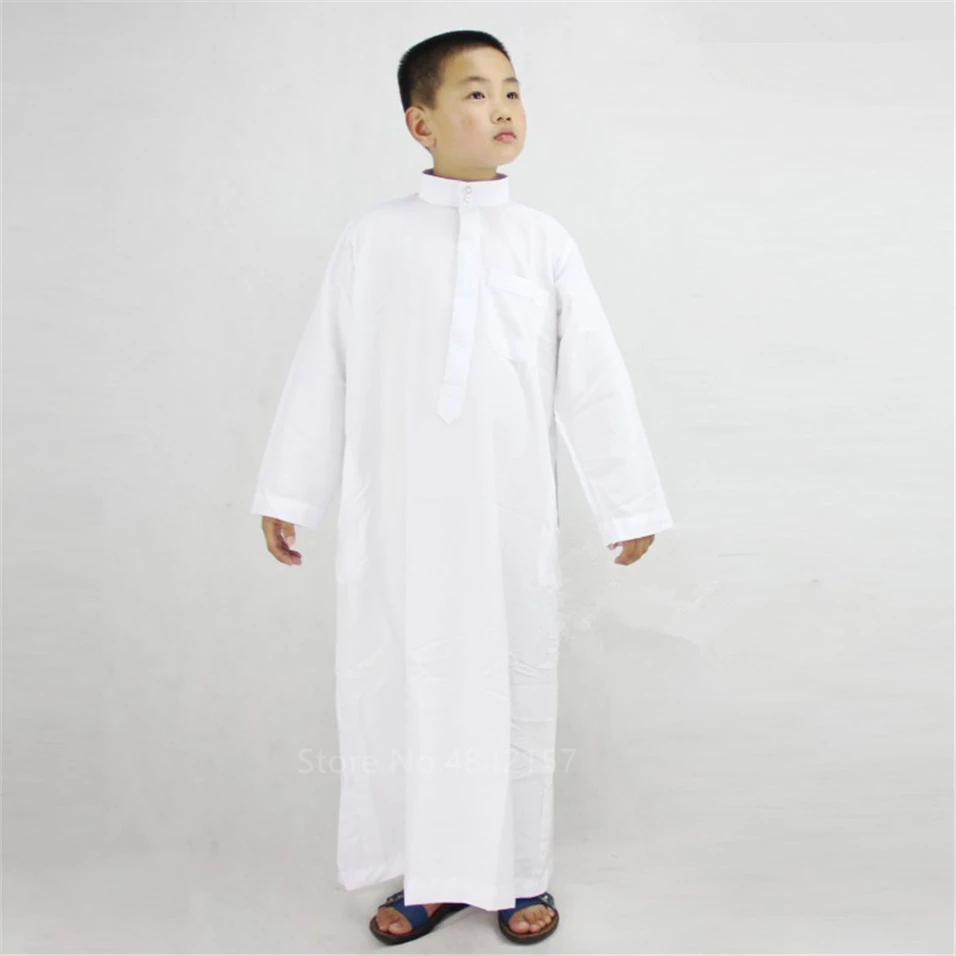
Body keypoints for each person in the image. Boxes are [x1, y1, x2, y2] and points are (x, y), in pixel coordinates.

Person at [250, 29, 674, 946]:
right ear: (422, 122)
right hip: (401, 520)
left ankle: (520, 875)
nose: (504, 108)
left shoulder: (543, 243)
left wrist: (627, 502)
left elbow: (593, 380)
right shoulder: (373, 240)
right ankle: (429, 875)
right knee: (409, 686)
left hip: (507, 519)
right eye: (476, 93)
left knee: (513, 688)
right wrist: (291, 491)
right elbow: (323, 368)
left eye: (513, 90)